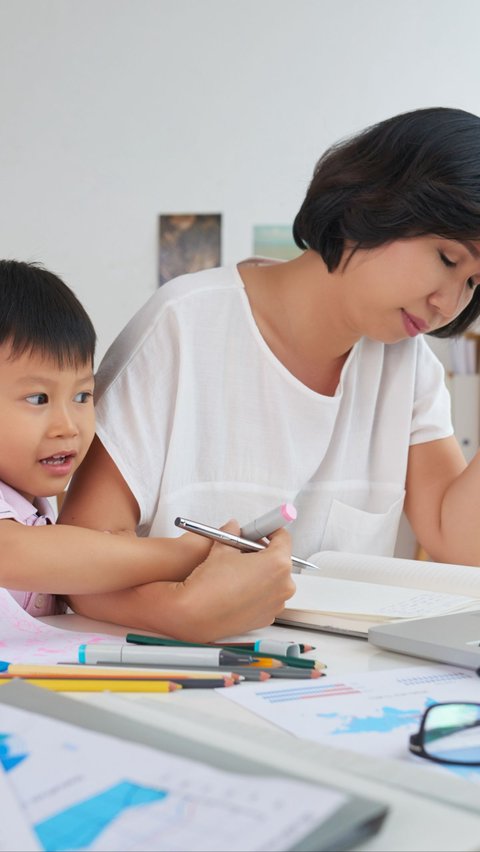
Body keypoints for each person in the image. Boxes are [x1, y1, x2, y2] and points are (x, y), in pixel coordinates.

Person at [61, 105, 480, 633]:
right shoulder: (184, 326)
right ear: (373, 204)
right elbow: (78, 557)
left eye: (472, 284)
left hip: (338, 688)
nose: (450, 304)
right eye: (447, 259)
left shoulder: (408, 366)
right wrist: (179, 611)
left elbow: (459, 542)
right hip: (169, 675)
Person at [0, 259, 294, 635]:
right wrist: (181, 555)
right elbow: (18, 553)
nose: (68, 426)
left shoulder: (32, 502)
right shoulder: (17, 532)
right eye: (39, 398)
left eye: (82, 395)